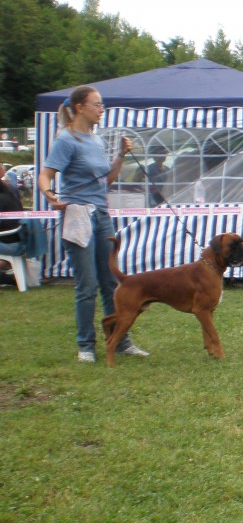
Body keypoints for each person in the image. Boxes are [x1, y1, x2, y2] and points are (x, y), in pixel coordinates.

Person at [36, 85, 149, 363]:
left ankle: (120, 340)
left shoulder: (96, 141)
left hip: (101, 215)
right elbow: (45, 175)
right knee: (87, 285)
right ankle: (86, 345)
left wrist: (121, 155)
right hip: (77, 214)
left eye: (102, 105)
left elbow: (105, 181)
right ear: (79, 108)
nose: (102, 110)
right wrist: (50, 195)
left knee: (111, 282)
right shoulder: (66, 140)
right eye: (97, 105)